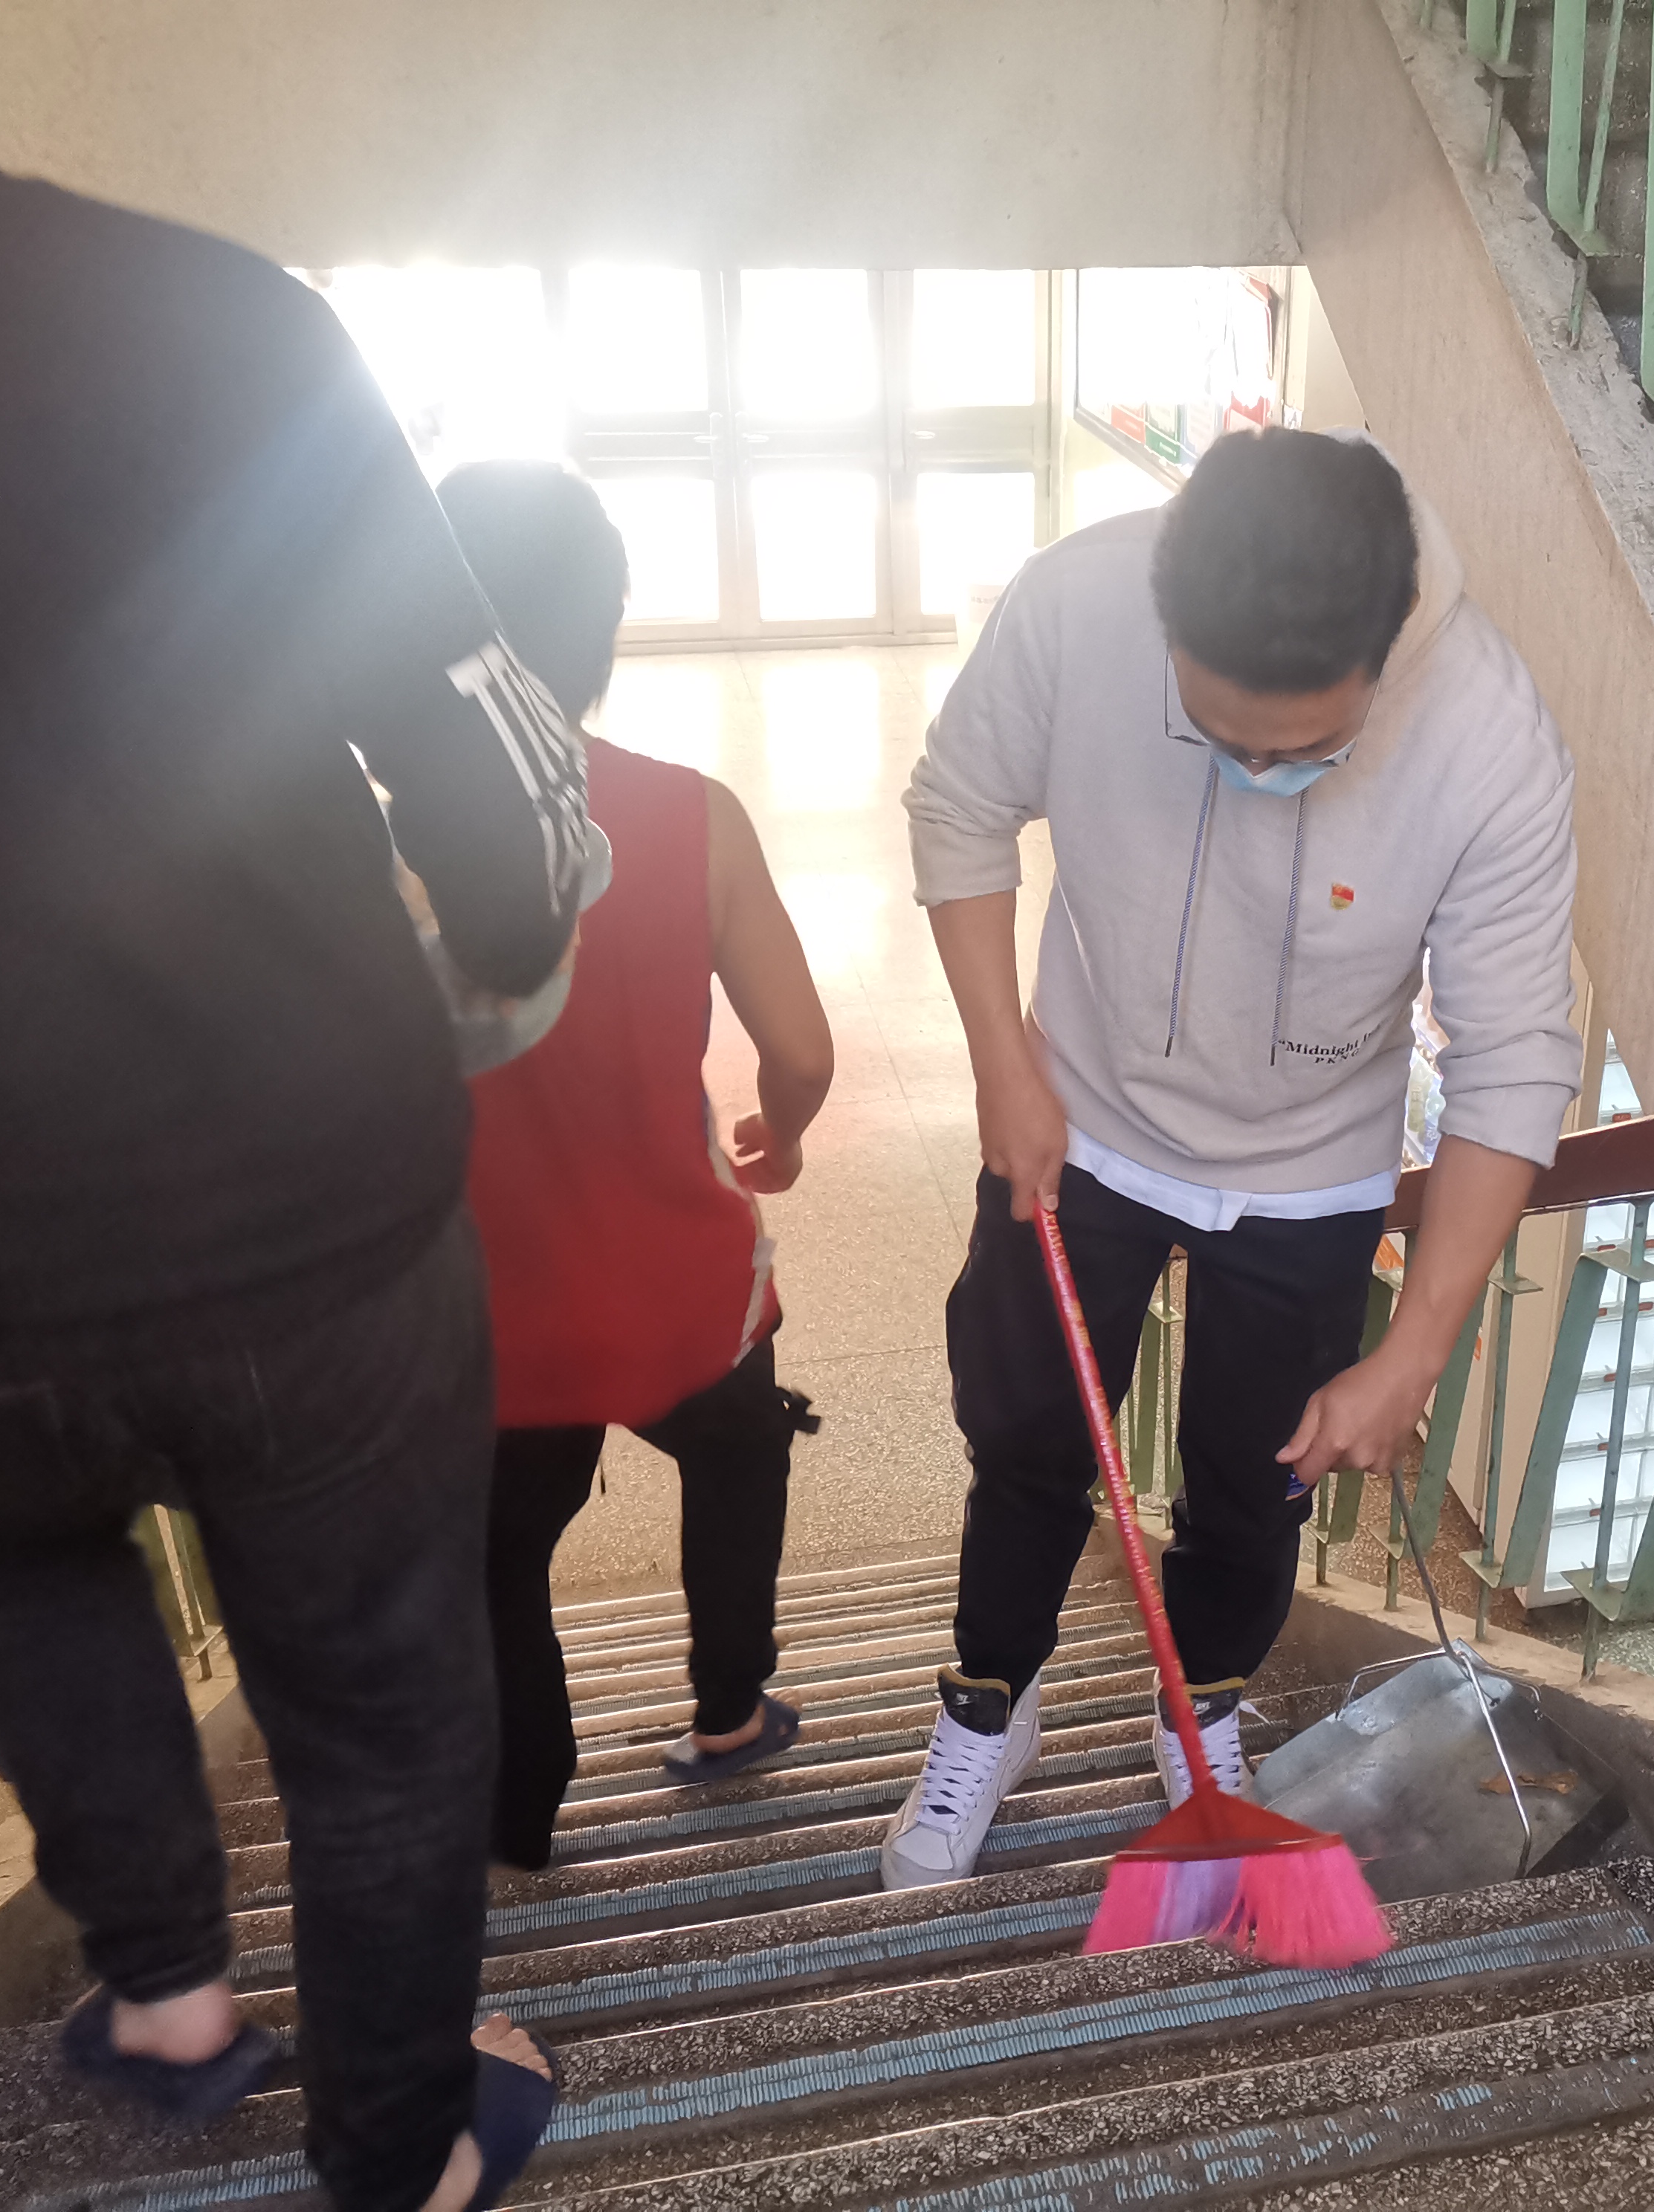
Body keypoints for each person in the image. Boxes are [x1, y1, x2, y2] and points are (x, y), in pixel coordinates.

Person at [0, 5, 579, 2205]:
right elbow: (498, 792)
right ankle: (399, 2153)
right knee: (375, 1698)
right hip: (303, 1208)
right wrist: (497, 929)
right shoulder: (220, 325)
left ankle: (164, 1990)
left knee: (21, 1549)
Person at [883, 426, 1580, 1887]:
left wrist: (1414, 1354)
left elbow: (1514, 1056)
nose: (1255, 770)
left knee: (1255, 1485)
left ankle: (1196, 1707)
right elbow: (960, 808)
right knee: (1025, 1435)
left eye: (1303, 751)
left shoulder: (1491, 740)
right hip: (1077, 1117)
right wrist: (1004, 1063)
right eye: (1216, 736)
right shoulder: (1077, 603)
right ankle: (988, 1703)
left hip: (1310, 1171)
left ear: (1384, 662)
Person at [432, 461, 834, 1871]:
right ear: (600, 629)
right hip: (681, 1291)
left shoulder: (367, 856)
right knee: (738, 1455)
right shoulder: (691, 814)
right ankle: (730, 1711)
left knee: (496, 1564)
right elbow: (802, 1048)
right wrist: (784, 1132)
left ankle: (520, 1824)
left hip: (483, 1322)